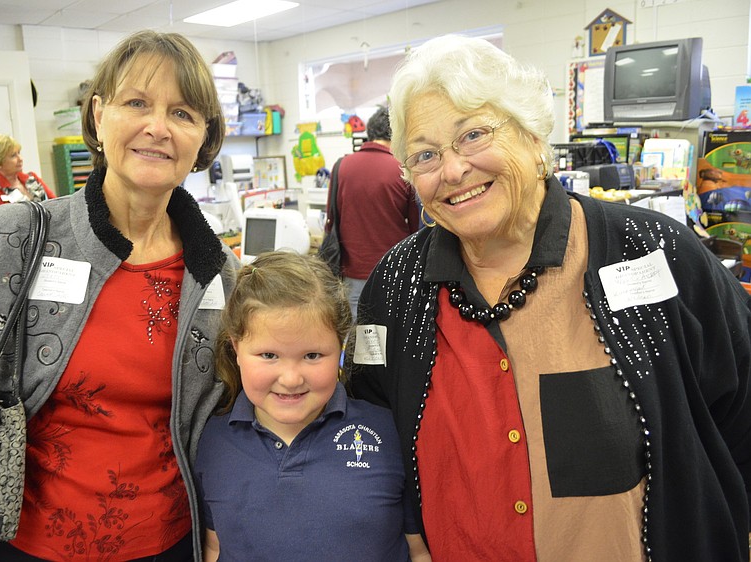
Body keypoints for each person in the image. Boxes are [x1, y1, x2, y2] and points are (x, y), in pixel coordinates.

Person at [348, 34, 751, 562]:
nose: (451, 171)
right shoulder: (396, 284)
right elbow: (370, 427)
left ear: (534, 139)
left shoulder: (655, 252)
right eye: (425, 155)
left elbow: (741, 401)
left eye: (472, 135)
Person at [0, 30, 239, 561]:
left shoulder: (220, 274)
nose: (157, 127)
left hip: (168, 544)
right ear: (99, 115)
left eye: (183, 112)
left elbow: (229, 423)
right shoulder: (8, 240)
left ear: (204, 138)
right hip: (20, 541)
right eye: (136, 103)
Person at [194, 251, 430, 562]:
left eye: (312, 356)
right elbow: (215, 548)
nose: (291, 379)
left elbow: (418, 550)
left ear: (341, 347)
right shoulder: (212, 441)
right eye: (268, 355)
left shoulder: (388, 432)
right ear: (236, 347)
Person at [324, 106, 419, 318]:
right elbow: (416, 229)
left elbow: (331, 220)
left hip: (352, 271)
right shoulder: (402, 170)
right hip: (394, 270)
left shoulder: (341, 166)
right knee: (392, 334)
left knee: (356, 340)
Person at [0, 133, 56, 211]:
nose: (20, 159)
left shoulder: (33, 178)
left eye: (19, 153)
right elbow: (1, 222)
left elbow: (55, 203)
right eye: (13, 155)